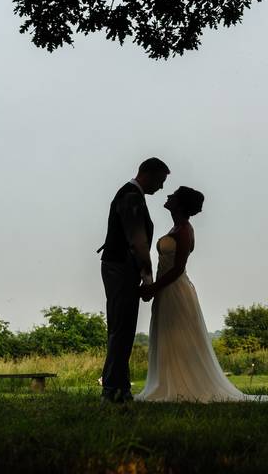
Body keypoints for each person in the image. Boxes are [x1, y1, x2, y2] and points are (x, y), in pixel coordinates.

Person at [137, 186, 265, 402]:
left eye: (173, 195)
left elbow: (178, 269)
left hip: (176, 290)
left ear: (180, 203)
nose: (168, 196)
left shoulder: (185, 230)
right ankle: (168, 382)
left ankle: (184, 386)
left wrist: (153, 287)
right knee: (166, 336)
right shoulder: (176, 228)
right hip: (165, 290)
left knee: (179, 336)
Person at [98, 157, 170, 403]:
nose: (161, 188)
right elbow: (137, 241)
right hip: (120, 268)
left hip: (117, 267)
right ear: (148, 174)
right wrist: (147, 276)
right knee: (122, 327)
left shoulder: (131, 195)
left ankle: (119, 386)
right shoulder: (132, 197)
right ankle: (113, 389)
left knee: (122, 328)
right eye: (161, 181)